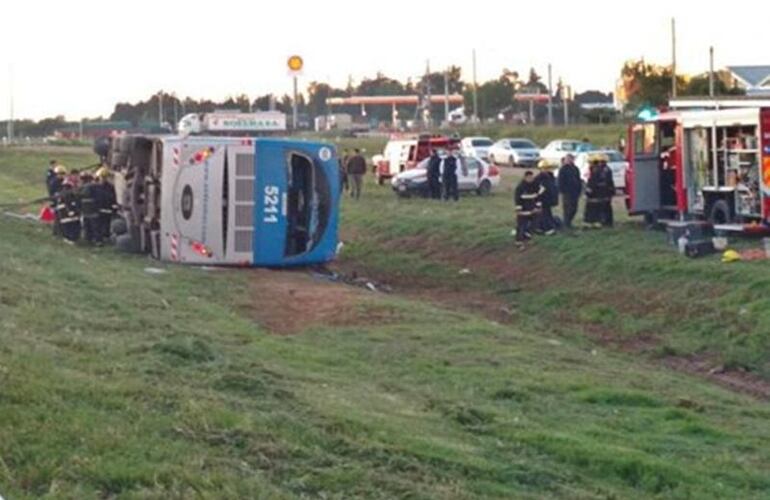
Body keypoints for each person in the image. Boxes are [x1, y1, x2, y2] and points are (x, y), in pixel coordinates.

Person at [514, 171, 540, 247]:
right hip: (523, 209)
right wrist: (519, 210)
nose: (531, 179)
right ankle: (518, 241)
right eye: (529, 177)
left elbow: (537, 197)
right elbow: (517, 199)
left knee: (534, 223)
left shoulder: (535, 186)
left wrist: (538, 207)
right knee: (521, 225)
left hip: (533, 209)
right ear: (525, 177)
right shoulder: (520, 187)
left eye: (532, 177)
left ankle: (528, 237)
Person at [558, 153, 582, 229]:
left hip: (575, 192)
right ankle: (566, 224)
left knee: (574, 208)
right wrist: (562, 190)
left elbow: (578, 180)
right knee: (568, 208)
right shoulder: (563, 169)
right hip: (567, 192)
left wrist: (580, 189)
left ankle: (569, 222)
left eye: (571, 159)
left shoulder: (576, 169)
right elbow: (560, 181)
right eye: (568, 159)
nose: (569, 160)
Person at [534, 160, 558, 235]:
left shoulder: (551, 177)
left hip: (549, 200)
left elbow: (553, 188)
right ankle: (544, 228)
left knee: (547, 214)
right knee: (543, 215)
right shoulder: (538, 178)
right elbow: (538, 190)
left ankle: (546, 228)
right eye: (544, 168)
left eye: (547, 168)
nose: (546, 170)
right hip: (542, 200)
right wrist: (537, 200)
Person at [94, 166, 117, 242]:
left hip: (107, 208)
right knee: (98, 224)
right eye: (102, 177)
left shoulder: (109, 187)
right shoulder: (96, 187)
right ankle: (99, 238)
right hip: (99, 208)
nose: (103, 179)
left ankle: (105, 236)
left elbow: (113, 197)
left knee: (106, 223)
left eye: (104, 177)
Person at [79, 171, 100, 245]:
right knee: (94, 225)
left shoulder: (82, 187)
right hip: (92, 209)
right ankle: (96, 239)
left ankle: (89, 238)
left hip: (86, 209)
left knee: (88, 225)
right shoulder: (95, 186)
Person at [583, 157, 603, 228]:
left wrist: (587, 193)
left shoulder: (594, 172)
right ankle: (597, 222)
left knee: (590, 209)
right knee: (597, 209)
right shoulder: (601, 171)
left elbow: (591, 184)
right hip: (599, 194)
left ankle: (589, 223)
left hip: (593, 195)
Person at [597, 156, 615, 227]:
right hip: (604, 191)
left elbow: (609, 181)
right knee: (605, 207)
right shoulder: (606, 169)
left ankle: (606, 221)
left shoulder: (605, 170)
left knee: (605, 207)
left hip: (605, 191)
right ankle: (606, 221)